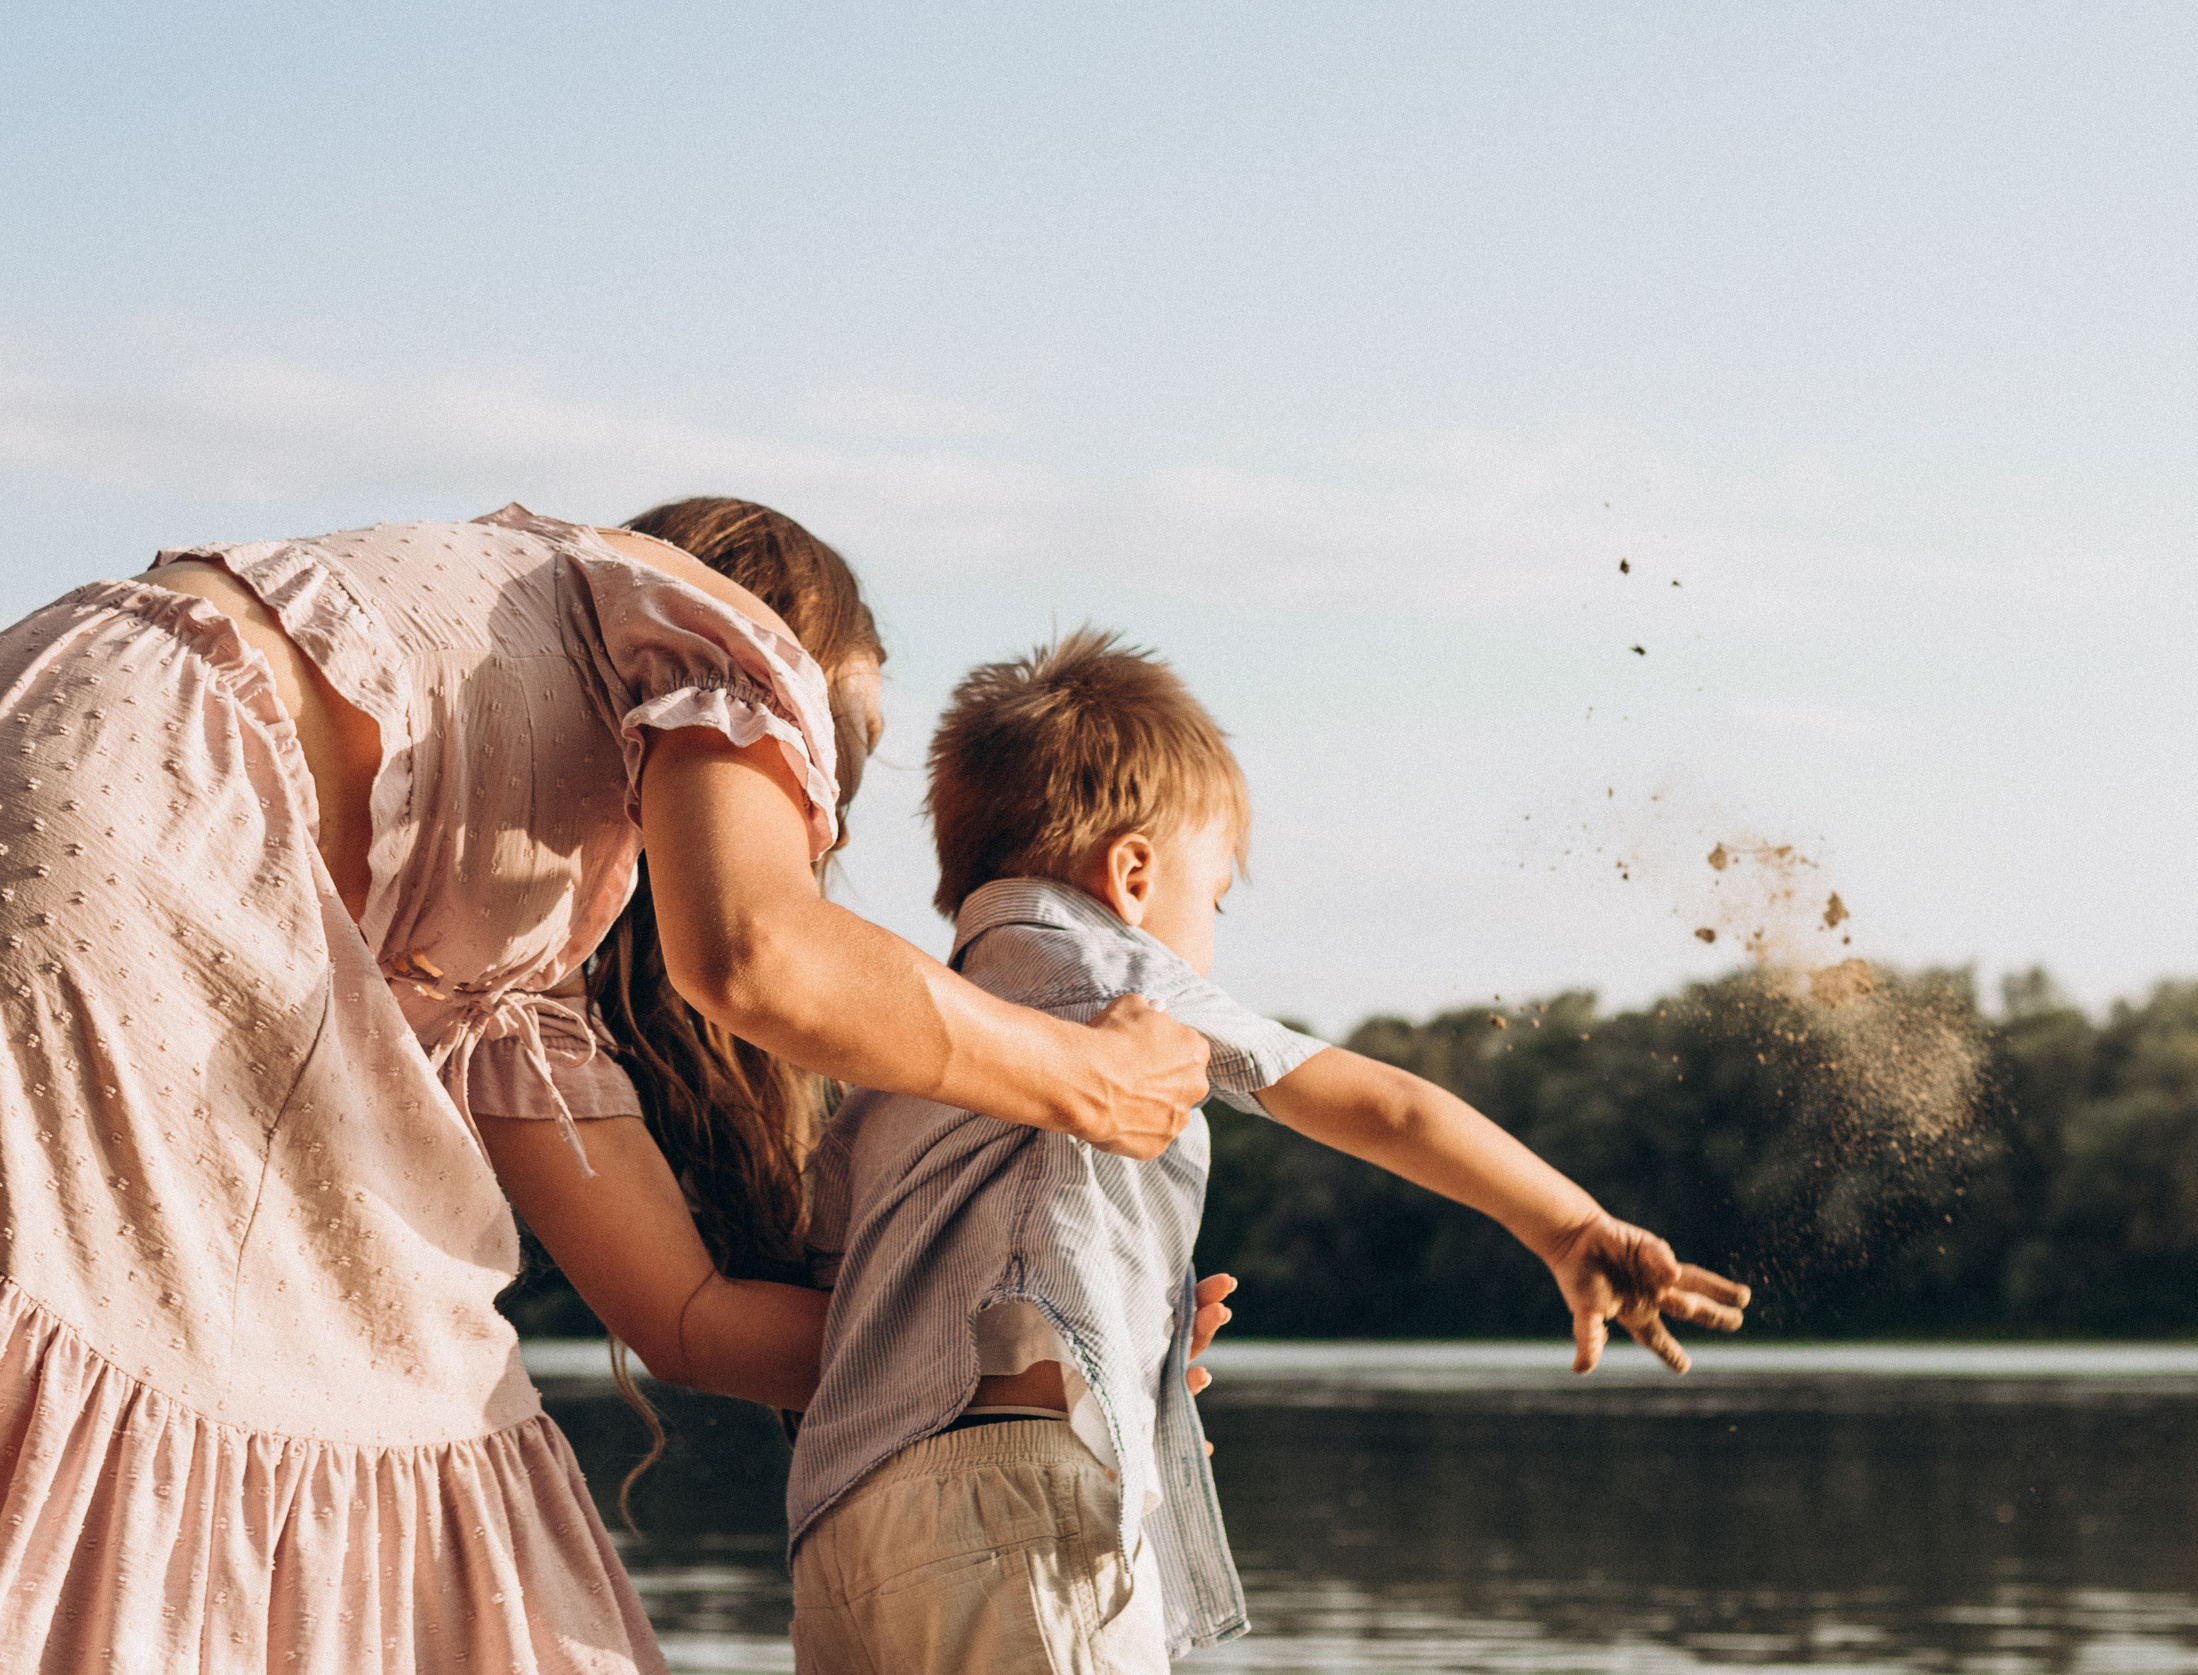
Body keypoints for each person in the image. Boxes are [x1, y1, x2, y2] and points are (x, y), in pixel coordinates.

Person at [0, 501, 1215, 1674]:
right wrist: (1084, 1073)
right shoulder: (723, 626)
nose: (824, 806)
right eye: (844, 745)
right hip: (153, 780)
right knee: (380, 1384)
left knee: (354, 1352)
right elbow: (757, 955)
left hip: (71, 737)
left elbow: (689, 1318)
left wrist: (1077, 1334)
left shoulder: (500, 965)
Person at [787, 628, 1753, 1673]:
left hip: (845, 1519)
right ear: (1132, 874)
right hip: (1019, 1498)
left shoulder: (905, 1059)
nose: (1213, 929)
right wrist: (1567, 1223)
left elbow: (825, 1278)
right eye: (1215, 899)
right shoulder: (1110, 973)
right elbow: (1382, 1109)